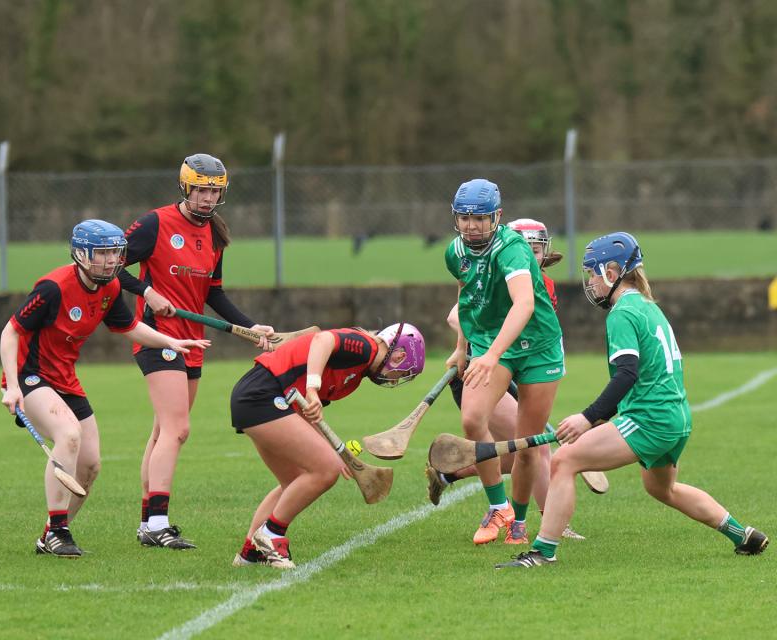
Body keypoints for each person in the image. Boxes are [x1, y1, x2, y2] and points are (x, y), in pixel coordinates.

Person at [498, 232, 769, 568]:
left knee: (564, 460)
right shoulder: (649, 307)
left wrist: (588, 417)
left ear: (612, 273)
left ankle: (542, 552)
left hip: (649, 419)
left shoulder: (623, 313)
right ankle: (743, 535)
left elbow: (627, 375)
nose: (591, 283)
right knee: (662, 489)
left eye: (593, 274)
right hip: (676, 419)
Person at [0, 220, 210, 558]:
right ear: (82, 254)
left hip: (64, 378)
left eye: (116, 252)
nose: (112, 260)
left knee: (90, 465)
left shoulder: (110, 288)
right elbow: (10, 333)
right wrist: (11, 385)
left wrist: (172, 340)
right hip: (29, 376)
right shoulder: (53, 288)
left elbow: (129, 327)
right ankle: (58, 531)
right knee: (68, 436)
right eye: (104, 253)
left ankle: (50, 536)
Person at [119, 153, 274, 549]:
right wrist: (147, 292)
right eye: (201, 190)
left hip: (192, 341)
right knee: (177, 428)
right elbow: (110, 265)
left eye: (214, 192)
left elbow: (214, 294)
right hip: (158, 337)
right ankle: (157, 522)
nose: (207, 199)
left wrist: (249, 327)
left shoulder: (216, 236)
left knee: (163, 432)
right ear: (185, 188)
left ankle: (146, 521)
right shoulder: (155, 224)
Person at [429, 216, 583, 539]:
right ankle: (506, 510)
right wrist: (467, 347)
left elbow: (526, 308)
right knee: (510, 440)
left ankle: (515, 519)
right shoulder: (481, 260)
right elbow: (459, 311)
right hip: (483, 361)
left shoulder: (541, 283)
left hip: (528, 355)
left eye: (536, 249)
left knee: (526, 449)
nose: (529, 254)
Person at [230, 323, 425, 568]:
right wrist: (313, 387)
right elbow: (322, 340)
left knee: (295, 479)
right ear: (399, 355)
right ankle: (271, 534)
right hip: (263, 395)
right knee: (326, 470)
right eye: (399, 373)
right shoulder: (366, 348)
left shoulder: (353, 378)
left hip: (262, 398)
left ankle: (251, 553)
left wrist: (333, 450)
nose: (393, 379)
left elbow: (306, 414)